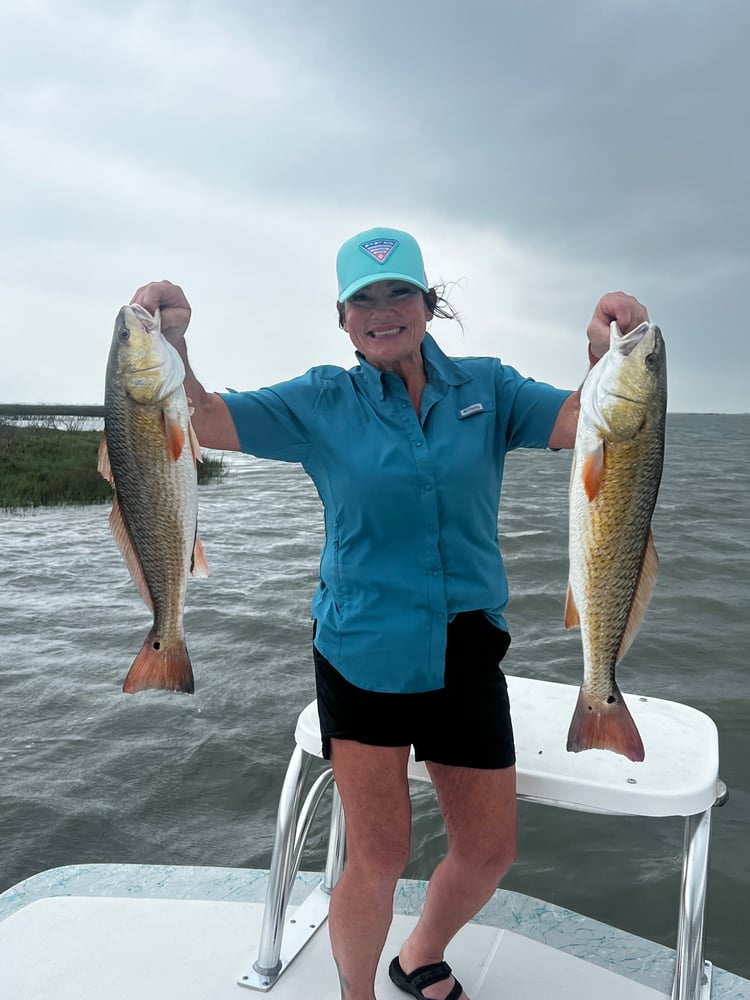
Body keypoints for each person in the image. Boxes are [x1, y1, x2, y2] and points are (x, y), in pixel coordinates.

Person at [131, 227, 648, 1000]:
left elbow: (586, 425)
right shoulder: (319, 401)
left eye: (399, 292)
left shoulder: (488, 388)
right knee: (376, 856)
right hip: (361, 651)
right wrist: (171, 343)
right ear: (342, 318)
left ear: (426, 304)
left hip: (467, 649)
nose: (383, 312)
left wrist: (609, 355)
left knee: (488, 851)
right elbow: (200, 420)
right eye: (363, 300)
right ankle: (357, 994)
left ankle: (419, 954)